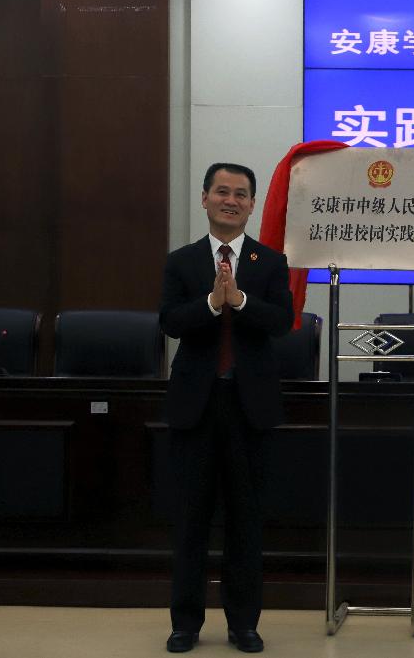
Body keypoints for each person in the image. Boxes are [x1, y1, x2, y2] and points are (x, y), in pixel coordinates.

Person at [160, 163, 294, 653]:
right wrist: (212, 305)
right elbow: (170, 321)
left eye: (241, 194)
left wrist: (239, 299)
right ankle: (185, 624)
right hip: (196, 406)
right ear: (205, 198)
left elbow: (282, 321)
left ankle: (243, 624)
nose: (230, 200)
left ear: (252, 205)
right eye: (222, 191)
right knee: (191, 521)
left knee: (246, 522)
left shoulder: (270, 261)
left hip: (248, 406)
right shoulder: (181, 261)